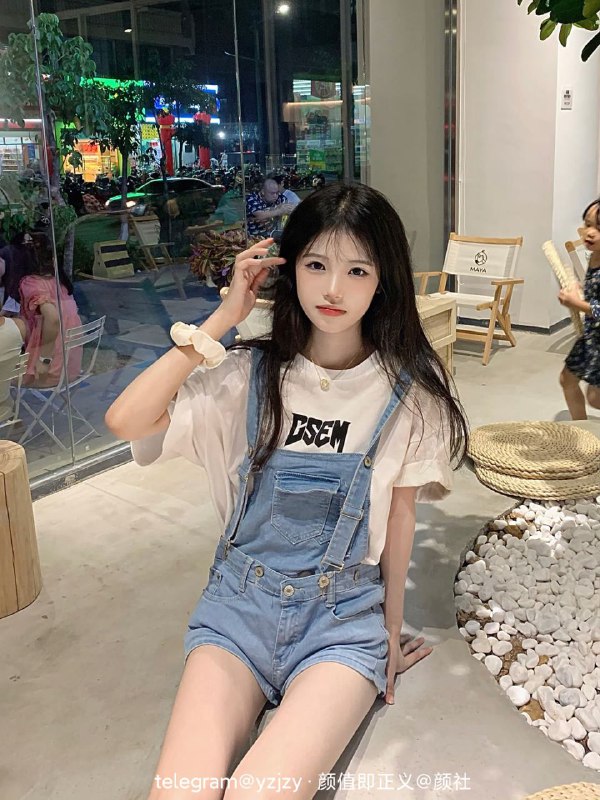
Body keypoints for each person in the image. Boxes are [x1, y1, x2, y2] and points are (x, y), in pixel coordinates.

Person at [105, 182, 468, 799]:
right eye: (317, 265)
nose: (334, 290)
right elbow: (126, 420)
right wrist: (222, 319)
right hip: (237, 611)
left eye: (357, 270)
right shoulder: (245, 374)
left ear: (383, 280)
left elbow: (400, 516)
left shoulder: (410, 393)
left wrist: (388, 633)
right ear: (290, 268)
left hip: (341, 622)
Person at [19, 233, 83, 388]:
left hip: (46, 373)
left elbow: (53, 319)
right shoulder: (60, 284)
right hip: (70, 371)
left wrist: (44, 360)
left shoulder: (31, 284)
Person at [559, 198, 600, 419]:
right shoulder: (594, 256)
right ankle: (580, 429)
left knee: (595, 398)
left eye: (599, 228)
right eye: (588, 224)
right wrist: (578, 288)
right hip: (591, 337)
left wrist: (576, 304)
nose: (590, 233)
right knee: (567, 379)